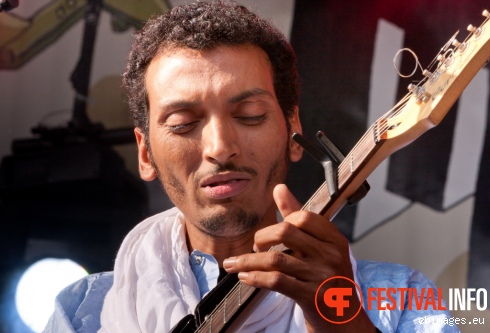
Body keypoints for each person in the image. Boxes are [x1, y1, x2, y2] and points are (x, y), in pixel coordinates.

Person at [43, 1, 459, 332]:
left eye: (250, 115)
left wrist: (344, 321)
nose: (220, 148)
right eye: (183, 124)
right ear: (146, 153)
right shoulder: (82, 313)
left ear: (292, 128)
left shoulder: (400, 299)